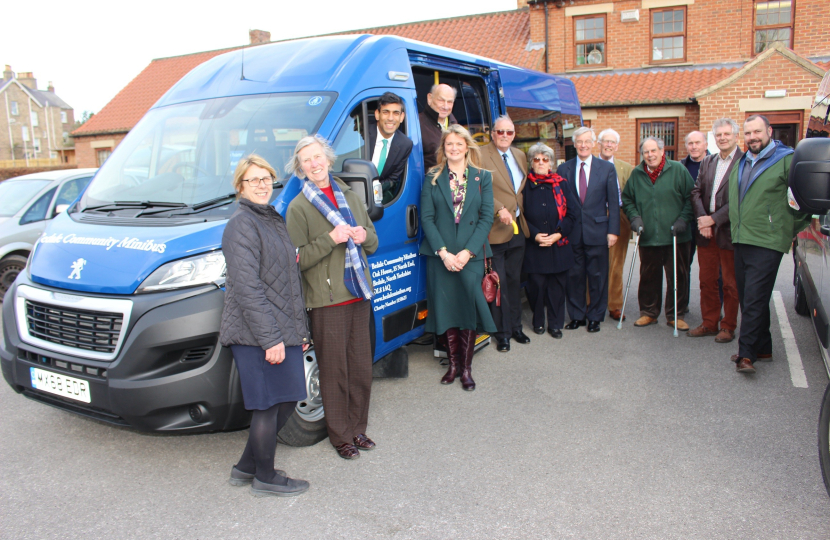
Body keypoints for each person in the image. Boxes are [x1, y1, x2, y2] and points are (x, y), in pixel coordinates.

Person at [220, 154, 310, 497]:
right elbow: (247, 288)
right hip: (255, 334)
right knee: (268, 405)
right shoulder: (242, 224)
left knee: (286, 400)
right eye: (253, 180)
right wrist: (271, 339)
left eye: (266, 179)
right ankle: (266, 477)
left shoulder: (270, 218)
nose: (261, 185)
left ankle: (246, 468)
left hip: (281, 327)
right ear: (240, 186)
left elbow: (287, 280)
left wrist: (299, 332)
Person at [285, 135, 379, 459]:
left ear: (327, 158)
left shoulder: (350, 195)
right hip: (327, 301)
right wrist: (330, 239)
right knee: (334, 371)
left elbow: (374, 241)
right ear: (301, 169)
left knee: (361, 369)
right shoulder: (298, 208)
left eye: (317, 157)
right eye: (306, 161)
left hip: (358, 294)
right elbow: (296, 259)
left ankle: (358, 429)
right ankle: (340, 436)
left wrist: (364, 235)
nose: (314, 164)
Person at [729, 115, 810, 374]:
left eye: (757, 132)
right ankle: (763, 347)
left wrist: (786, 229)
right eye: (748, 133)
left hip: (767, 241)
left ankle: (746, 354)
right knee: (750, 297)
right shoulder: (742, 161)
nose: (752, 137)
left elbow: (804, 201)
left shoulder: (787, 160)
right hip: (741, 238)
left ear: (769, 131)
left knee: (754, 297)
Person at [420, 124, 496, 391]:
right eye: (449, 144)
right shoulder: (432, 176)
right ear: (443, 147)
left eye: (458, 144)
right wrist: (443, 253)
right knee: (446, 310)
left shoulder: (482, 177)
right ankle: (452, 366)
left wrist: (467, 252)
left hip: (469, 256)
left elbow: (486, 218)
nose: (453, 148)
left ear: (467, 147)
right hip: (440, 256)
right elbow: (427, 218)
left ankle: (466, 369)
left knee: (467, 311)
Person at [622, 137, 694, 330]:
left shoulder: (678, 170)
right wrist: (634, 218)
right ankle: (648, 313)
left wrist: (683, 220)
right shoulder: (637, 174)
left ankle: (676, 314)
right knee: (648, 277)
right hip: (648, 236)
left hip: (676, 236)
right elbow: (627, 199)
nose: (650, 155)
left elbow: (691, 197)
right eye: (646, 152)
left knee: (678, 277)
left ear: (662, 151)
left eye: (653, 151)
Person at [556, 127, 620, 333]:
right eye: (579, 142)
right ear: (574, 144)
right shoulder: (564, 169)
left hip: (598, 231)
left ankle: (595, 317)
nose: (583, 145)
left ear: (593, 144)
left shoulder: (607, 168)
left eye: (587, 141)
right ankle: (577, 316)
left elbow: (613, 202)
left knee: (597, 276)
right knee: (574, 276)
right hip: (573, 232)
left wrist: (613, 231)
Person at [688, 118, 743, 343]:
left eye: (727, 134)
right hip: (706, 233)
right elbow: (696, 192)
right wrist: (703, 220)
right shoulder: (708, 161)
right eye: (719, 134)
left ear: (736, 136)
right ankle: (709, 323)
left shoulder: (744, 162)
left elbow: (741, 198)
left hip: (729, 232)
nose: (722, 138)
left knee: (730, 283)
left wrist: (713, 220)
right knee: (707, 281)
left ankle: (728, 326)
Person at [480, 115, 529, 352]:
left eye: (509, 132)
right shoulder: (480, 154)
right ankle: (502, 334)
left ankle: (516, 327)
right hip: (495, 229)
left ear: (514, 135)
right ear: (492, 133)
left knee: (514, 280)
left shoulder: (519, 155)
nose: (505, 136)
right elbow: (479, 188)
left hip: (518, 228)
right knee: (498, 284)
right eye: (500, 132)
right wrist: (499, 208)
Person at [522, 143, 578, 339]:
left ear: (551, 163)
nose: (541, 163)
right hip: (535, 246)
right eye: (536, 159)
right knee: (536, 286)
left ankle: (555, 324)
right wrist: (535, 234)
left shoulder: (562, 184)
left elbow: (572, 214)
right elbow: (520, 215)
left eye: (545, 159)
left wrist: (559, 234)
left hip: (558, 246)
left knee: (557, 287)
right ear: (531, 163)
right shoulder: (525, 186)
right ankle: (538, 321)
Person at [597, 128, 634, 321]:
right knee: (593, 261)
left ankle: (615, 305)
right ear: (599, 144)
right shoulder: (590, 165)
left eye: (612, 142)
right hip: (594, 217)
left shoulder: (626, 168)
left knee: (616, 264)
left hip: (619, 216)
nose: (609, 145)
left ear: (617, 146)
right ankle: (591, 303)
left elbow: (632, 196)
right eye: (606, 141)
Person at [680, 131, 710, 311]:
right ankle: (681, 306)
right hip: (687, 224)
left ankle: (714, 310)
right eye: (690, 143)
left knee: (711, 271)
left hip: (709, 223)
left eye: (697, 142)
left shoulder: (715, 163)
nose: (694, 146)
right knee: (682, 267)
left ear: (705, 144)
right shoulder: (680, 166)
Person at [368, 92, 413, 204]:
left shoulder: (405, 144)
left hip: (376, 199)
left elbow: (392, 179)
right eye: (386, 112)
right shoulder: (362, 134)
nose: (391, 118)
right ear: (377, 114)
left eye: (396, 113)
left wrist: (373, 194)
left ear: (402, 117)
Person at [419, 83, 457, 170]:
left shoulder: (455, 124)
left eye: (449, 102)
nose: (445, 106)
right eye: (441, 100)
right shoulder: (418, 123)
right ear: (430, 98)